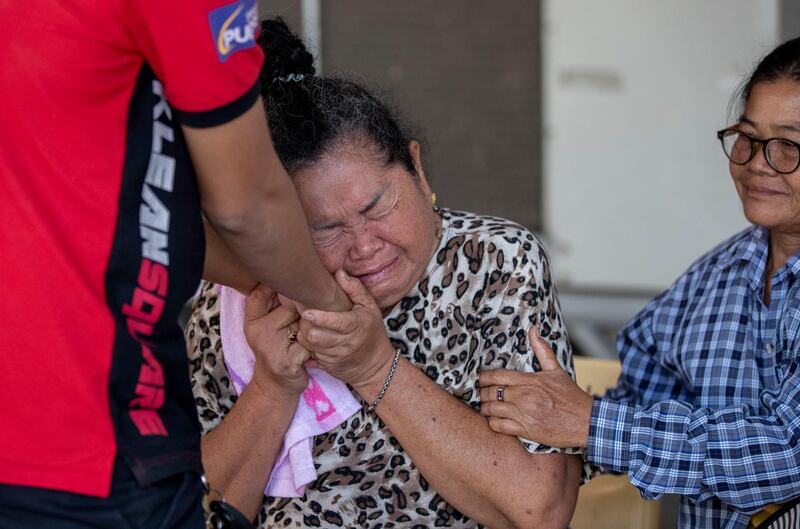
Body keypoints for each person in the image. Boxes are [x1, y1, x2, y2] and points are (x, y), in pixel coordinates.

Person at [186, 18, 585, 529]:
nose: (364, 247)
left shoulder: (494, 265)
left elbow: (538, 509)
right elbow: (197, 514)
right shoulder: (238, 304)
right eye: (323, 229)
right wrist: (271, 387)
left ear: (417, 170)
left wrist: (375, 367)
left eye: (378, 207)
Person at [0, 2, 349, 528]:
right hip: (82, 437)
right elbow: (247, 204)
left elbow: (115, 199)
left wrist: (275, 284)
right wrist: (332, 312)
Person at [479, 36, 800, 529]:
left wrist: (589, 423)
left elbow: (785, 454)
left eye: (788, 145)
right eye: (748, 138)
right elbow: (638, 399)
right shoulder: (718, 275)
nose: (758, 162)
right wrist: (528, 421)